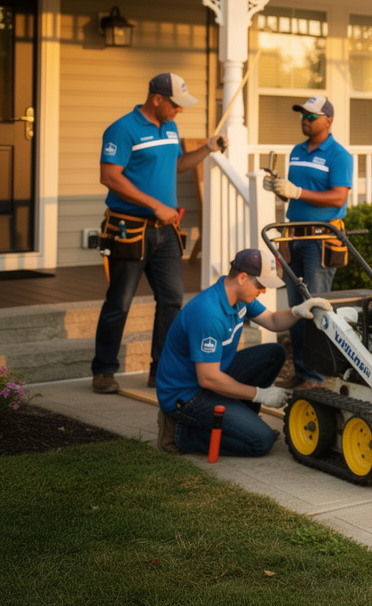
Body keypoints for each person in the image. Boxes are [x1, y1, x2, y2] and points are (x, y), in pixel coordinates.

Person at [92, 73, 226, 395]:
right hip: (128, 230)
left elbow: (177, 165)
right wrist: (154, 205)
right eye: (176, 105)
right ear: (157, 99)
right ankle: (104, 371)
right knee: (119, 301)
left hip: (166, 231)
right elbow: (109, 177)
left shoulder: (170, 127)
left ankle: (159, 370)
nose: (179, 111)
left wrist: (207, 149)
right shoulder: (122, 129)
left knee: (171, 300)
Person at [154, 248, 331, 456]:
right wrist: (259, 394)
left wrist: (298, 311)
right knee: (260, 442)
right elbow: (208, 379)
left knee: (275, 353)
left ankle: (241, 422)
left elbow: (273, 320)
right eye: (261, 285)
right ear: (242, 277)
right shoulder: (208, 315)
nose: (263, 291)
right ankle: (181, 433)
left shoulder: (238, 298)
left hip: (214, 375)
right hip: (187, 394)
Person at [263, 95, 352, 390]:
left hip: (320, 239)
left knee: (314, 308)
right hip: (293, 236)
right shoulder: (297, 151)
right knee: (295, 310)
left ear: (328, 120)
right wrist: (279, 189)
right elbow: (294, 193)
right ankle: (302, 372)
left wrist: (297, 192)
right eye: (303, 115)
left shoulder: (339, 155)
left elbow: (338, 197)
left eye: (311, 116)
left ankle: (315, 378)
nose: (305, 120)